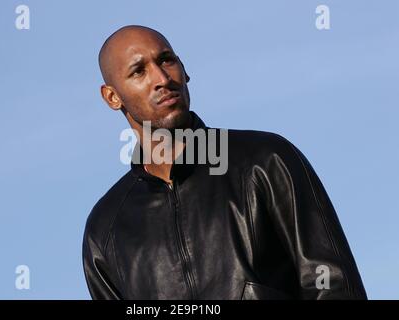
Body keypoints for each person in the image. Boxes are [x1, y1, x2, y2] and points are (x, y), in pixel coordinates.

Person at [82, 25, 367, 300]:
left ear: (184, 70)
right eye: (139, 71)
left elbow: (333, 285)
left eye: (166, 60)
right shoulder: (106, 228)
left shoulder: (266, 160)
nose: (161, 78)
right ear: (112, 97)